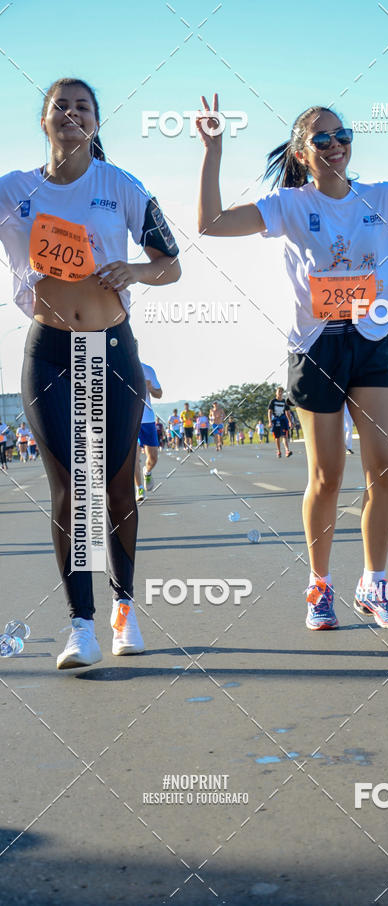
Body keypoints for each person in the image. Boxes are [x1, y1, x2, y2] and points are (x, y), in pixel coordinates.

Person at [196, 87, 388, 630]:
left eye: (343, 135)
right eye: (322, 138)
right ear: (301, 153)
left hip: (371, 341)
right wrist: (213, 151)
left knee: (384, 469)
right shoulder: (291, 206)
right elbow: (211, 223)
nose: (336, 144)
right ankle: (320, 586)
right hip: (316, 346)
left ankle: (375, 582)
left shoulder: (384, 197)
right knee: (327, 478)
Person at [0, 76, 181, 669]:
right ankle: (81, 624)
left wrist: (133, 270)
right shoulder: (16, 191)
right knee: (69, 489)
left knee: (115, 483)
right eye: (62, 106)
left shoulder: (121, 185)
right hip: (49, 350)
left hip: (112, 350)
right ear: (44, 121)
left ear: (96, 123)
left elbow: (170, 265)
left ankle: (124, 606)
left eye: (83, 107)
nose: (72, 113)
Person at [135, 357, 162, 502]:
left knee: (153, 457)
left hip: (148, 419)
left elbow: (159, 394)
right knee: (134, 456)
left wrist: (150, 388)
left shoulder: (147, 369)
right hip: (131, 419)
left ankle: (148, 471)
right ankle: (139, 488)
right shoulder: (119, 368)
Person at [268, 386, 293, 458]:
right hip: (275, 420)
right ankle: (279, 451)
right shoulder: (273, 401)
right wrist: (270, 421)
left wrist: (290, 421)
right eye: (279, 392)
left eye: (281, 392)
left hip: (283, 420)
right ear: (276, 393)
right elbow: (269, 411)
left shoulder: (285, 402)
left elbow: (287, 412)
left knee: (284, 436)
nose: (280, 393)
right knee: (277, 437)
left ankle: (287, 450)